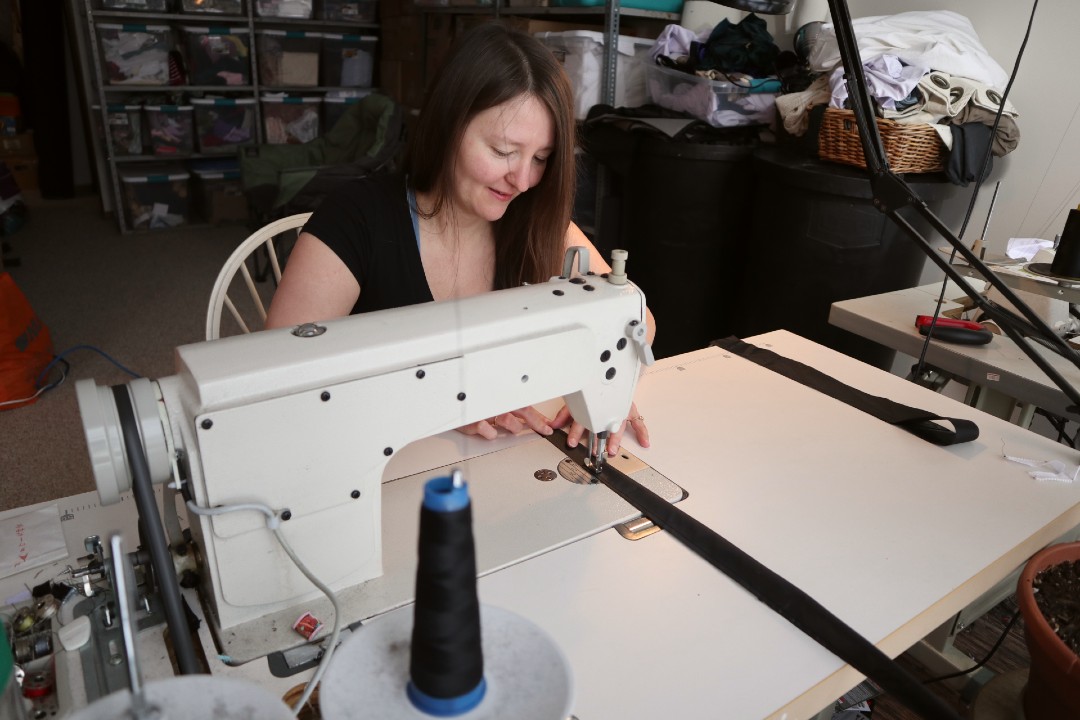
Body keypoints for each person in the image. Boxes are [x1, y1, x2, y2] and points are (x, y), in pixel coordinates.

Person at [266, 21, 655, 457]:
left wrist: (605, 386)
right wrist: (441, 402)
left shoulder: (536, 219)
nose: (524, 180)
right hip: (375, 467)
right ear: (450, 124)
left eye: (542, 158)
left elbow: (634, 320)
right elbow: (276, 383)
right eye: (504, 151)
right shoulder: (356, 219)